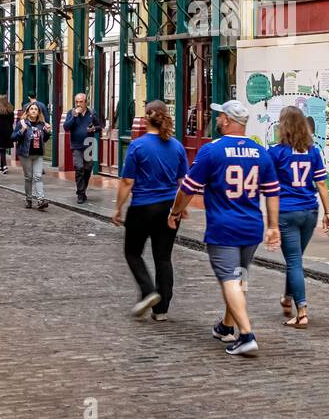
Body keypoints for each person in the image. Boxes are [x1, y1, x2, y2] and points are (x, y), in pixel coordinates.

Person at [168, 100, 280, 358]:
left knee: (229, 279)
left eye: (219, 116)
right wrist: (273, 225)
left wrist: (175, 211)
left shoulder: (211, 151)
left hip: (224, 227)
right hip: (251, 226)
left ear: (228, 120)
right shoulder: (260, 152)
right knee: (239, 276)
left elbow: (188, 187)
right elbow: (273, 191)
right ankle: (227, 326)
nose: (216, 119)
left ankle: (246, 334)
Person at [112, 100, 187, 322]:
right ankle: (161, 309)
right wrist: (180, 207)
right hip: (168, 208)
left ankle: (148, 290)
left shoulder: (138, 146)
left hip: (143, 207)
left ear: (146, 118)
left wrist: (118, 207)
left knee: (133, 252)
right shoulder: (177, 146)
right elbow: (184, 182)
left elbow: (127, 182)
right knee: (163, 257)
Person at [269, 106, 329, 329]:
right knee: (295, 259)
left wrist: (270, 220)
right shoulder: (313, 151)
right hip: (310, 211)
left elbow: (269, 186)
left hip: (287, 212)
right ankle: (287, 298)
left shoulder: (276, 153)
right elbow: (322, 183)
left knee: (294, 261)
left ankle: (302, 312)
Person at [63, 93, 100, 203]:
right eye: (76, 102)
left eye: (81, 102)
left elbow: (99, 127)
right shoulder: (71, 113)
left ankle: (82, 191)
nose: (78, 104)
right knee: (79, 168)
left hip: (90, 144)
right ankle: (80, 193)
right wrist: (74, 116)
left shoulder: (92, 113)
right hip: (77, 146)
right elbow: (66, 127)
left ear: (85, 102)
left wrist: (94, 129)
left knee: (88, 169)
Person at [12, 102, 51, 209]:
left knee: (38, 177)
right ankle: (28, 199)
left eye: (36, 109)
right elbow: (13, 138)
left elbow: (45, 139)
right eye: (31, 109)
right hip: (26, 154)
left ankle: (40, 200)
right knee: (28, 178)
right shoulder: (22, 123)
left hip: (38, 154)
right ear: (28, 112)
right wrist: (22, 130)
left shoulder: (42, 124)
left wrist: (47, 132)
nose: (34, 110)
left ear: (38, 112)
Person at [0, 96, 15, 173]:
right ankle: (1, 166)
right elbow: (12, 121)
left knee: (1, 149)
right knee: (3, 149)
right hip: (8, 131)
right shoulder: (10, 110)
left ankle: (4, 166)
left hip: (0, 131)